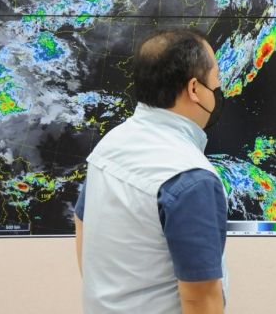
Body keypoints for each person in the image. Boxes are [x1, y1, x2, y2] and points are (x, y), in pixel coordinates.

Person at [74, 29, 229, 314]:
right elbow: (201, 299)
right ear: (195, 89)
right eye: (216, 81)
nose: (218, 91)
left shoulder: (109, 146)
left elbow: (82, 224)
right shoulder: (190, 177)